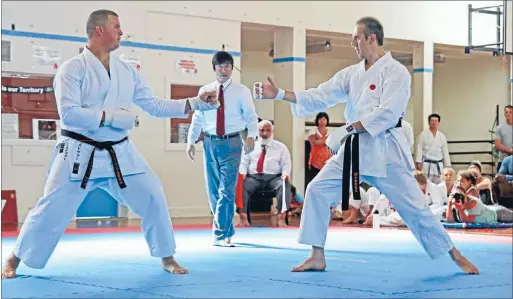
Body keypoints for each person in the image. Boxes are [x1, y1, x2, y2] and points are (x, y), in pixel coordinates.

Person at [1, 9, 220, 279]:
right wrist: (113, 117)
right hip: (79, 153)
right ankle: (14, 258)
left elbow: (153, 105)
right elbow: (69, 113)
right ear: (99, 30)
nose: (121, 31)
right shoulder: (72, 69)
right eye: (117, 26)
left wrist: (196, 102)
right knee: (51, 208)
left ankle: (167, 256)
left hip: (120, 152)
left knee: (153, 195)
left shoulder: (126, 71)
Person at [253, 16, 478, 274]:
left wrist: (347, 129)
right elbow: (320, 95)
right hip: (354, 150)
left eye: (356, 38)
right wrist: (280, 94)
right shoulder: (352, 74)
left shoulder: (397, 72)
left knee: (415, 207)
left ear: (372, 38)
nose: (353, 43)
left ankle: (455, 255)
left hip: (387, 150)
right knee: (316, 190)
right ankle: (317, 255)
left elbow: (388, 113)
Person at [186, 51, 258, 247]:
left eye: (228, 66)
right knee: (213, 191)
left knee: (226, 190)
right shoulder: (206, 90)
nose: (224, 70)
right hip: (210, 142)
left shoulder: (241, 91)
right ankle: (226, 228)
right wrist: (191, 140)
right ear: (214, 68)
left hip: (232, 142)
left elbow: (251, 116)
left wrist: (251, 136)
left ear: (232, 68)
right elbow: (198, 117)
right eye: (220, 66)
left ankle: (219, 234)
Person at [238, 120, 292, 227]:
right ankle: (243, 216)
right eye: (262, 130)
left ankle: (281, 216)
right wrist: (243, 173)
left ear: (272, 131)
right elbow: (243, 162)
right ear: (257, 131)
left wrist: (285, 173)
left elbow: (286, 163)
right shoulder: (250, 145)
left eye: (268, 130)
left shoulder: (281, 147)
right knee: (241, 184)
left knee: (284, 184)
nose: (265, 133)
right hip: (253, 178)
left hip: (274, 178)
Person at [446, 171, 513, 224]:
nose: (459, 183)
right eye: (457, 181)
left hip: (498, 213)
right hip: (488, 209)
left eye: (461, 181)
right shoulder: (456, 200)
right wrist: (449, 205)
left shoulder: (472, 200)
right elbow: (450, 221)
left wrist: (460, 209)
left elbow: (467, 220)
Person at [415, 113, 451, 184]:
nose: (434, 123)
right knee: (427, 186)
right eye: (432, 121)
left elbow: (445, 152)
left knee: (440, 186)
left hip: (439, 166)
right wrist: (418, 162)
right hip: (427, 166)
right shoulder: (423, 135)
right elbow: (419, 149)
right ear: (429, 122)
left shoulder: (442, 136)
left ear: (438, 123)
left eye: (436, 121)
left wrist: (447, 166)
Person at [494, 105, 513, 170]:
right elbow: (497, 145)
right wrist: (510, 151)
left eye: (510, 112)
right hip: (503, 160)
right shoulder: (499, 128)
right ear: (504, 114)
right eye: (506, 112)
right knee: (500, 179)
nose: (508, 114)